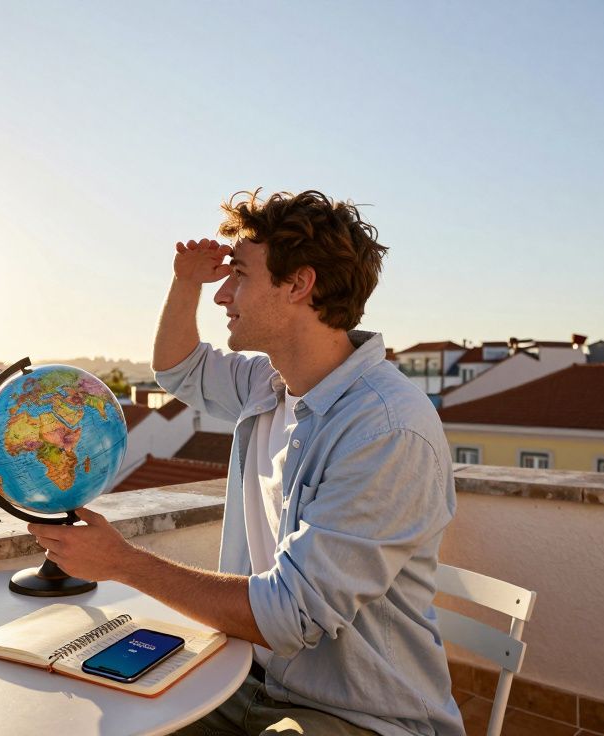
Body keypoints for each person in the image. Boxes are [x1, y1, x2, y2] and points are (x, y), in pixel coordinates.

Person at [28, 190, 464, 736]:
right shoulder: (270, 383)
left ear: (299, 284)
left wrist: (122, 562)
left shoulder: (385, 430)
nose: (223, 295)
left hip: (357, 715)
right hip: (246, 681)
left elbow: (290, 616)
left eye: (239, 275)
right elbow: (178, 369)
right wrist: (186, 280)